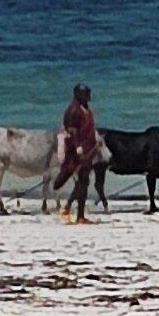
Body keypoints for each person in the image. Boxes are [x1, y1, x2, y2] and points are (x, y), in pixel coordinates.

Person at [52, 83, 105, 224]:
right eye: (86, 93)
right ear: (78, 94)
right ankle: (75, 213)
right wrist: (78, 149)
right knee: (76, 179)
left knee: (84, 181)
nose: (89, 95)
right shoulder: (73, 110)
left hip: (88, 150)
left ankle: (78, 214)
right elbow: (71, 132)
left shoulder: (85, 108)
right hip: (76, 152)